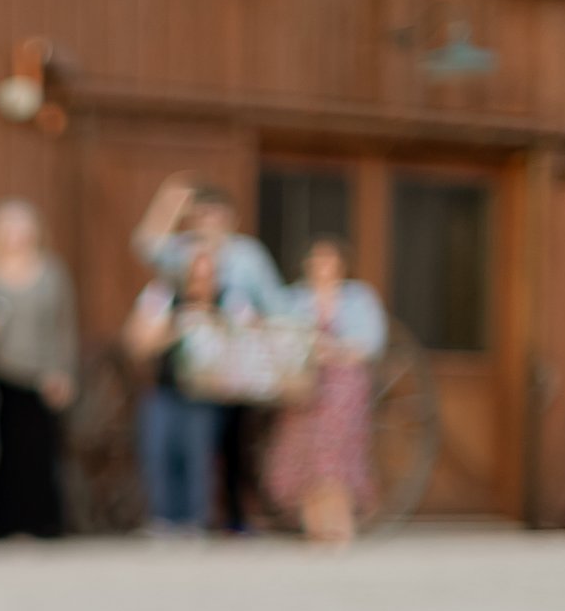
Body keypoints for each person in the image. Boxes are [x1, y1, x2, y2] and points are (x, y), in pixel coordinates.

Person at [132, 176, 281, 533]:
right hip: (177, 379)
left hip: (233, 372)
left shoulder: (248, 258)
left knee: (230, 448)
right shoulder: (178, 259)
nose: (209, 226)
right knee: (167, 450)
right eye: (202, 218)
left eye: (216, 218)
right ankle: (169, 519)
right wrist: (168, 201)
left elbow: (273, 307)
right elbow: (145, 246)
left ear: (231, 221)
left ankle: (229, 519)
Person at [265, 236, 388, 545]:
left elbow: (370, 342)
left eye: (328, 260)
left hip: (343, 385)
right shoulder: (292, 299)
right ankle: (314, 528)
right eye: (317, 260)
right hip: (303, 385)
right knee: (304, 452)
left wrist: (332, 350)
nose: (322, 267)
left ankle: (341, 527)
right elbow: (278, 336)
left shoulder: (358, 298)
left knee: (336, 453)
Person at [0, 199, 77, 541]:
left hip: (40, 375)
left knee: (37, 452)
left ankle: (39, 523)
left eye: (23, 226)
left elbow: (63, 326)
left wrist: (62, 371)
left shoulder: (51, 272)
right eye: (9, 226)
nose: (16, 234)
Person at [125, 248, 233, 537]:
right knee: (158, 453)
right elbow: (137, 343)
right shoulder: (163, 297)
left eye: (207, 276)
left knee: (199, 458)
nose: (200, 283)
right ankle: (162, 519)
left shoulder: (230, 300)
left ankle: (196, 520)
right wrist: (181, 323)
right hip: (164, 388)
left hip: (206, 394)